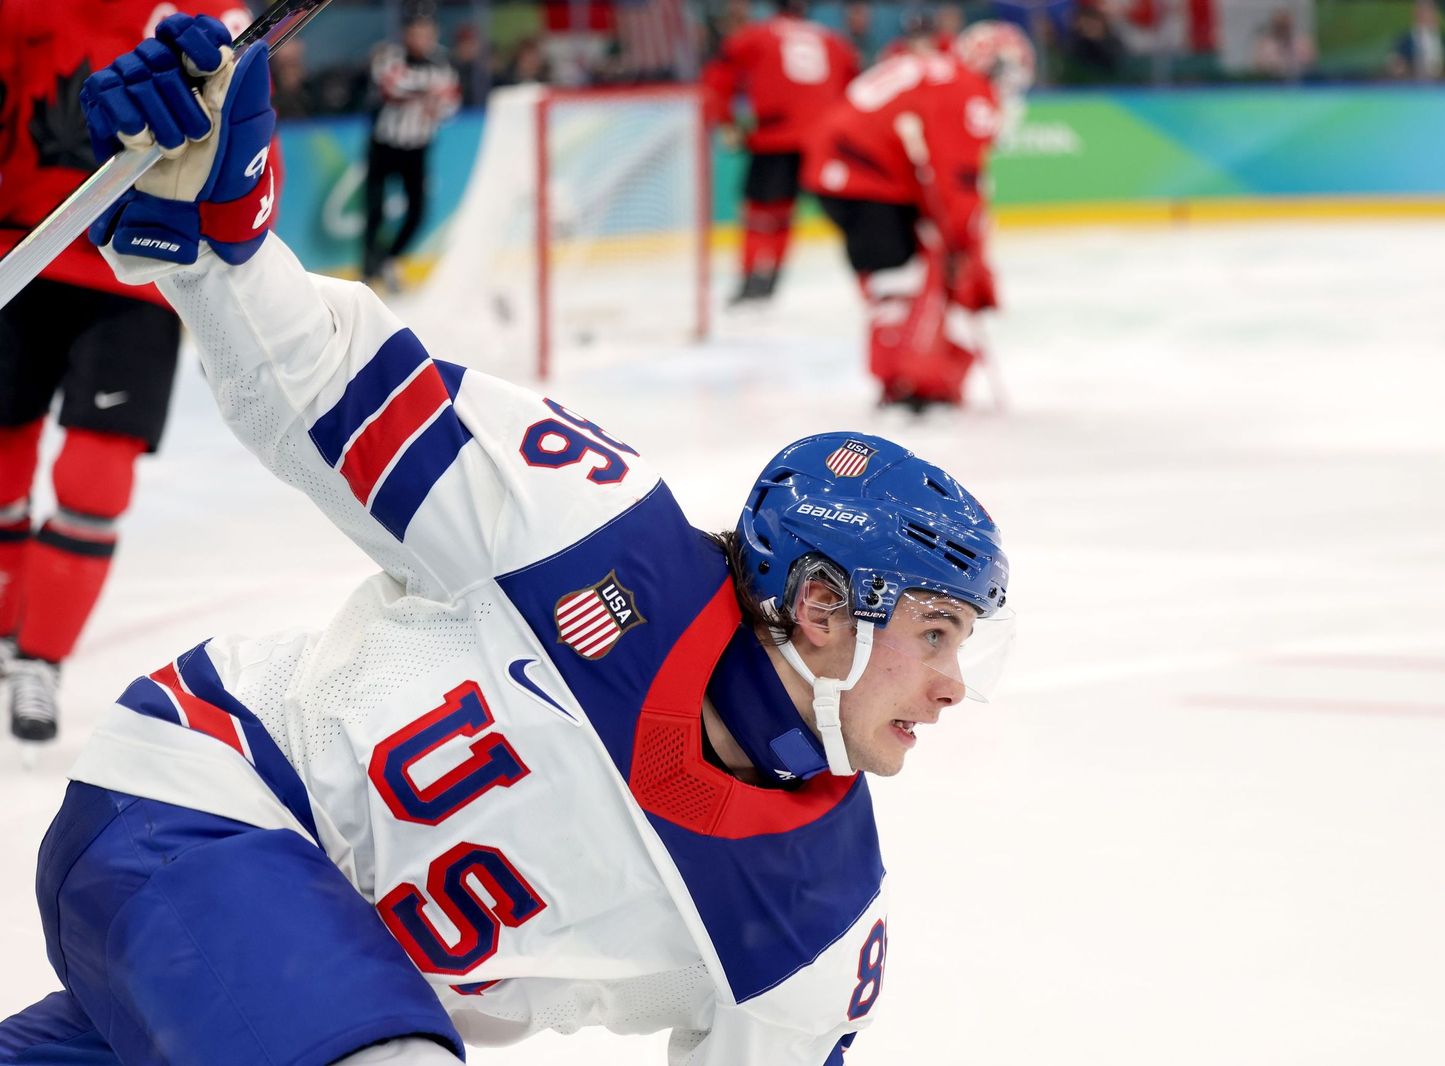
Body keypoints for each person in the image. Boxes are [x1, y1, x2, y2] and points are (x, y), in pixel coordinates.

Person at [0, 15, 1015, 1066]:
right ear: (818, 607)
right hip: (213, 798)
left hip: (305, 984)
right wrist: (218, 227)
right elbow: (319, 388)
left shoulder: (822, 918)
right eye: (935, 632)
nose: (953, 684)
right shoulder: (588, 527)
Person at [0, 0, 249, 746]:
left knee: (94, 480)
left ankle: (38, 657)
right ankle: (11, 630)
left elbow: (241, 129)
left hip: (132, 271)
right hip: (20, 254)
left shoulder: (204, 16)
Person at [802, 21, 1035, 412]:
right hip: (865, 178)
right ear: (990, 64)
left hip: (845, 170)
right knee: (898, 285)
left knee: (897, 281)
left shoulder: (938, 72)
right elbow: (956, 176)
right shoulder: (965, 88)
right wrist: (963, 242)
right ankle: (907, 387)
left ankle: (905, 380)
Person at [702, 0, 859, 306]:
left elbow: (718, 77)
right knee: (841, 210)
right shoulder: (833, 40)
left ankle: (753, 278)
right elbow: (853, 88)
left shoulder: (756, 35)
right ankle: (775, 276)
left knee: (761, 212)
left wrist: (725, 120)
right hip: (824, 140)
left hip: (776, 136)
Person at [362, 3, 461, 290]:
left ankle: (388, 260)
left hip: (418, 147)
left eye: (426, 31)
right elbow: (392, 87)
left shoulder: (443, 61)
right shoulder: (389, 54)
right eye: (416, 31)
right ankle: (369, 274)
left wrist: (434, 101)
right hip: (384, 145)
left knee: (418, 212)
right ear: (406, 33)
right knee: (375, 211)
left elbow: (451, 105)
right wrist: (430, 93)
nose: (421, 37)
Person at [1387, 0, 1445, 80]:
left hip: (1441, 83)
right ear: (1417, 15)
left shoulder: (1443, 38)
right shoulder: (1406, 39)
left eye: (1431, 12)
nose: (1428, 16)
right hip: (1413, 83)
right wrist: (1397, 64)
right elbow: (1395, 59)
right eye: (1424, 12)